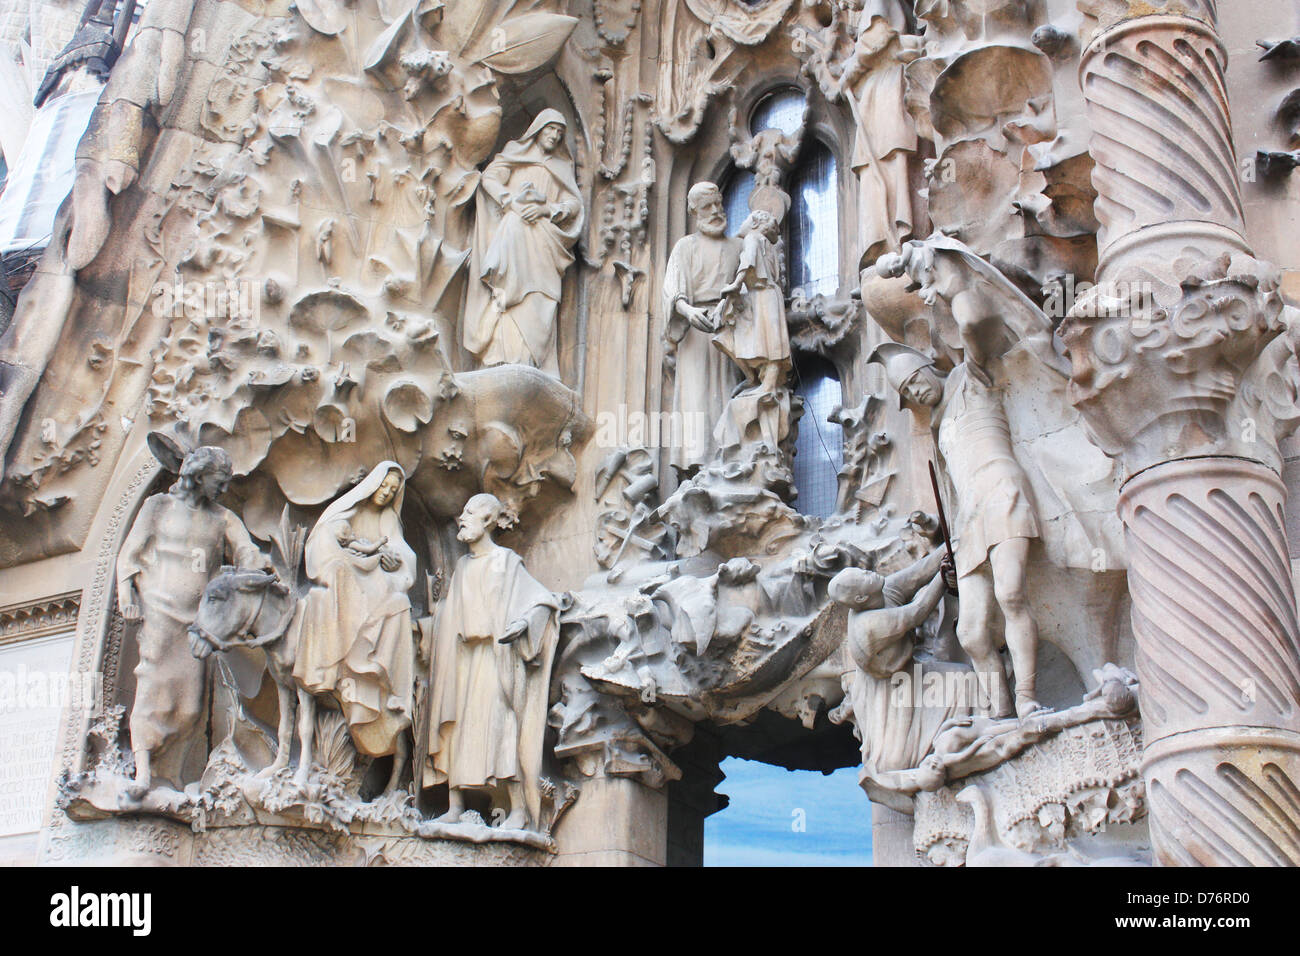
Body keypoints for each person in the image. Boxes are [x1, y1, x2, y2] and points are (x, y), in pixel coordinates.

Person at [116, 446, 267, 797]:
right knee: (153, 686)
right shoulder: (158, 507)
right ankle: (142, 772)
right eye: (220, 480)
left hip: (200, 621)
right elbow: (130, 553)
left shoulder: (222, 518)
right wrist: (127, 595)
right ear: (199, 475)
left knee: (191, 705)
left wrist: (254, 566)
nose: (224, 488)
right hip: (158, 611)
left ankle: (173, 773)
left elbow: (245, 548)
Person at [425, 493, 560, 831]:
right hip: (463, 662)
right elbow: (450, 614)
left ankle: (517, 809)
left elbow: (543, 601)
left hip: (496, 658)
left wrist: (524, 624)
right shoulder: (462, 567)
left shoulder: (506, 562)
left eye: (469, 512)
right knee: (457, 725)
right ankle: (455, 804)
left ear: (487, 520)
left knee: (502, 728)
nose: (462, 518)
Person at [291, 462, 417, 792]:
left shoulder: (388, 520)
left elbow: (404, 561)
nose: (387, 493)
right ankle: (337, 665)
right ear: (372, 484)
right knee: (338, 584)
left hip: (375, 585)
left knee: (398, 603)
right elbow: (324, 552)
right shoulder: (343, 514)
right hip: (346, 585)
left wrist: (394, 565)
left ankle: (373, 669)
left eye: (393, 490)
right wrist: (352, 558)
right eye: (384, 486)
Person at [464, 109, 583, 376]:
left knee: (540, 297)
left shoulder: (561, 167)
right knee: (508, 294)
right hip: (515, 234)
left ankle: (534, 363)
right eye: (550, 129)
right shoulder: (516, 153)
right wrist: (511, 201)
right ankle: (502, 359)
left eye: (560, 133)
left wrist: (549, 210)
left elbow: (573, 203)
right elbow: (489, 177)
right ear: (538, 129)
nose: (554, 136)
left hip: (544, 243)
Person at [661, 181, 743, 477]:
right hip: (695, 333)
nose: (716, 211)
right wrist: (688, 311)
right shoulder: (686, 247)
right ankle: (699, 468)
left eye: (718, 204)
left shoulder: (738, 247)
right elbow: (672, 290)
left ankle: (730, 460)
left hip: (730, 330)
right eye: (707, 207)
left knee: (727, 394)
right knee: (696, 399)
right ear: (694, 212)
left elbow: (752, 287)